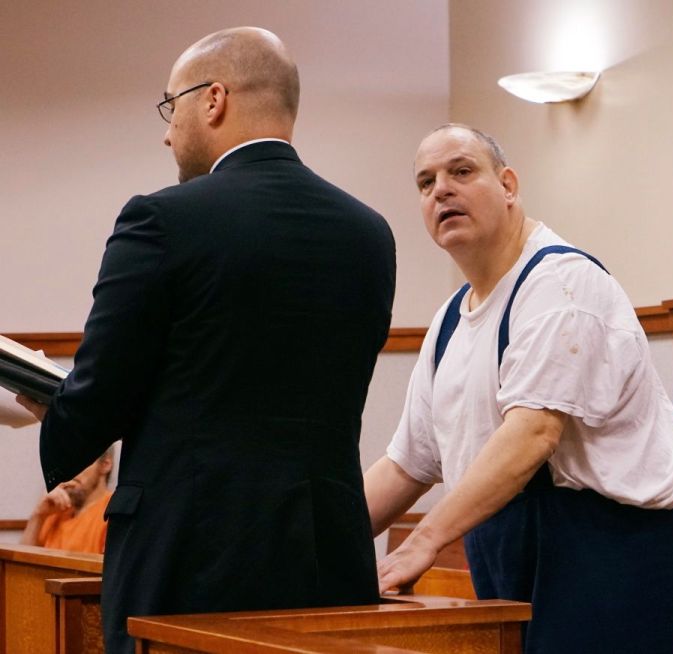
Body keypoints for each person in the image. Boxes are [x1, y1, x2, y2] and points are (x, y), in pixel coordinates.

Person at [17, 27, 395, 654]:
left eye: (172, 107)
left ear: (213, 99)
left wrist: (56, 406)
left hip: (189, 555)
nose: (167, 132)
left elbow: (101, 391)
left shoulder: (163, 219)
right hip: (326, 555)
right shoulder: (369, 234)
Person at [364, 124, 673, 653]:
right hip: (509, 543)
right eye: (426, 183)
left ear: (508, 185)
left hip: (611, 547)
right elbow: (407, 464)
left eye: (462, 171)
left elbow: (532, 434)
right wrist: (323, 544)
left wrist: (422, 543)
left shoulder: (562, 282)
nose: (442, 190)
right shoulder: (450, 320)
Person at [21, 447, 114, 554]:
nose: (68, 471)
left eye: (78, 461)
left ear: (105, 465)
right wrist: (38, 516)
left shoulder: (113, 512)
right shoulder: (54, 509)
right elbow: (19, 566)